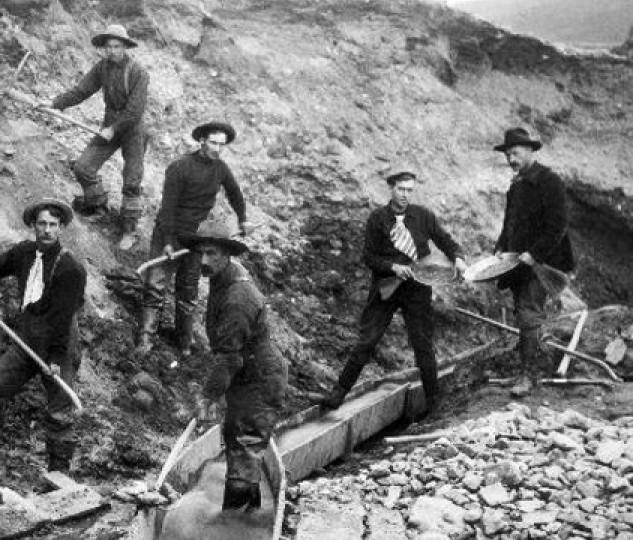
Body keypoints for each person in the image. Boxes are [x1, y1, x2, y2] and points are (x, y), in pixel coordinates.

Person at [317, 170, 467, 415]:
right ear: (391, 189)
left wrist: (458, 258)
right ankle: (337, 396)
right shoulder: (377, 218)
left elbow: (445, 240)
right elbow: (368, 256)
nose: (405, 195)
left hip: (417, 289)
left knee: (423, 345)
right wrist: (393, 267)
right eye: (401, 189)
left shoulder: (423, 216)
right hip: (385, 288)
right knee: (367, 341)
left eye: (410, 190)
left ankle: (433, 405)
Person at [0, 198, 87, 473]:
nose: (47, 230)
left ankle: (58, 474)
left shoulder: (70, 268)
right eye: (42, 224)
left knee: (59, 413)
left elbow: (62, 317)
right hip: (27, 341)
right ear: (33, 226)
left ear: (61, 228)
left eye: (53, 225)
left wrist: (55, 358)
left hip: (60, 345)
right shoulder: (24, 253)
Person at [181, 221, 287, 512]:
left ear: (227, 254)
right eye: (200, 253)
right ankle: (247, 514)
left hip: (260, 379)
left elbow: (230, 357)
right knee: (237, 441)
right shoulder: (222, 277)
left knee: (244, 447)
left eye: (212, 253)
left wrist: (208, 396)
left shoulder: (238, 297)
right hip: (245, 374)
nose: (204, 261)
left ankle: (235, 524)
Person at [137, 122, 251, 357]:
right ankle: (146, 339)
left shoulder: (221, 169)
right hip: (168, 233)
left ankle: (184, 343)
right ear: (201, 141)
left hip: (196, 239)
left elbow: (235, 194)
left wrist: (243, 219)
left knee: (188, 291)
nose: (218, 149)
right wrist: (168, 241)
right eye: (213, 142)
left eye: (222, 144)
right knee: (155, 287)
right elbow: (167, 208)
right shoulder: (180, 167)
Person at [39, 24, 149, 246]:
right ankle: (98, 205)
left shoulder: (138, 72)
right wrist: (54, 103)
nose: (112, 51)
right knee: (83, 167)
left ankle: (129, 230)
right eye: (108, 47)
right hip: (109, 125)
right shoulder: (102, 68)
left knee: (132, 179)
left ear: (126, 47)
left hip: (133, 129)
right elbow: (81, 91)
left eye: (117, 46)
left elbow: (135, 111)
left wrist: (114, 129)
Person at [492, 128, 574, 397]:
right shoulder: (516, 186)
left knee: (528, 311)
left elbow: (558, 224)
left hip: (544, 264)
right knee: (522, 311)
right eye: (507, 155)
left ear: (530, 151)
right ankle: (530, 366)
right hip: (519, 263)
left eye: (515, 153)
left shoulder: (549, 181)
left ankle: (528, 376)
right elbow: (510, 224)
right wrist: (501, 248)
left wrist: (535, 254)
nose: (511, 159)